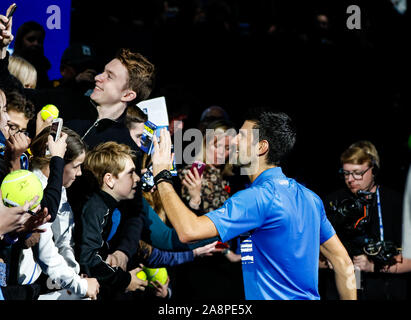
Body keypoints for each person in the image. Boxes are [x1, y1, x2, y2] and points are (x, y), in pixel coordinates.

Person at [151, 108, 357, 300]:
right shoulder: (311, 198)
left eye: (241, 136)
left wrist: (161, 174)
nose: (233, 142)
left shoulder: (256, 197)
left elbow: (189, 231)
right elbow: (344, 263)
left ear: (261, 147)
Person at [15, 126, 100, 300]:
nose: (79, 173)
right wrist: (81, 286)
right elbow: (46, 255)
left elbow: (63, 237)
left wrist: (73, 273)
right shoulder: (34, 188)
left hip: (40, 277)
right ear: (55, 162)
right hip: (19, 284)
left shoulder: (58, 187)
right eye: (76, 166)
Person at [323, 140, 411, 300]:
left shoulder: (396, 203)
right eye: (346, 173)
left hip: (386, 291)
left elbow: (409, 260)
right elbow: (309, 255)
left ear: (374, 170)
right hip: (341, 290)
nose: (350, 179)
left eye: (357, 172)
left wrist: (372, 266)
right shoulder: (333, 202)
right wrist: (334, 261)